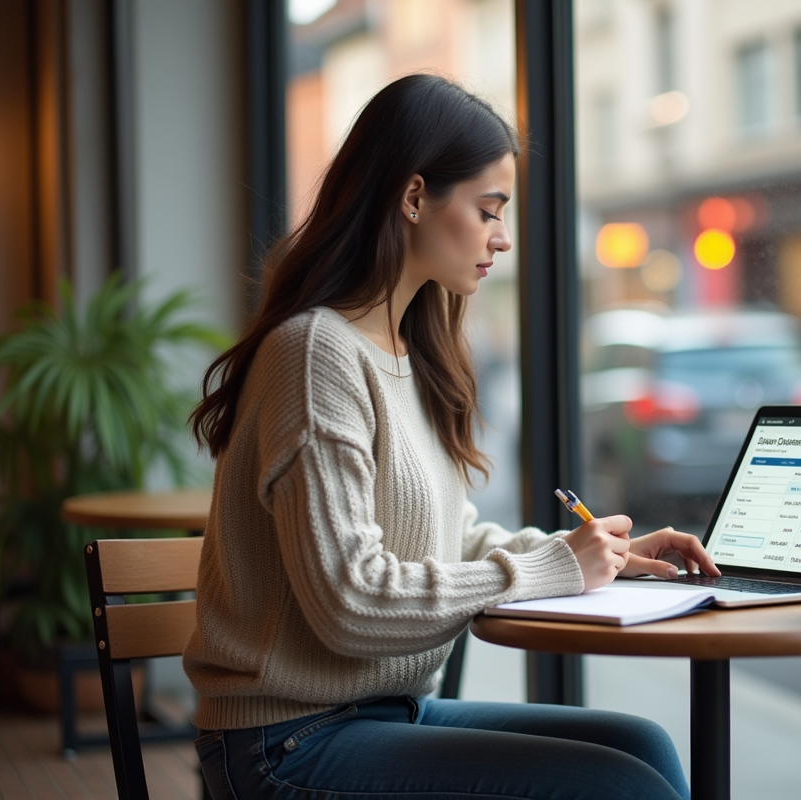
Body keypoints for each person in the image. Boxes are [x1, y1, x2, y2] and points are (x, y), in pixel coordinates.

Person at [183, 74, 717, 800]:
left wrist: (604, 557)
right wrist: (557, 569)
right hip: (286, 743)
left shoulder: (405, 352)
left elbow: (452, 540)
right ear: (412, 199)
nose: (502, 237)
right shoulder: (315, 354)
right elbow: (351, 601)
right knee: (624, 787)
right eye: (489, 210)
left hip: (382, 714)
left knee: (642, 746)